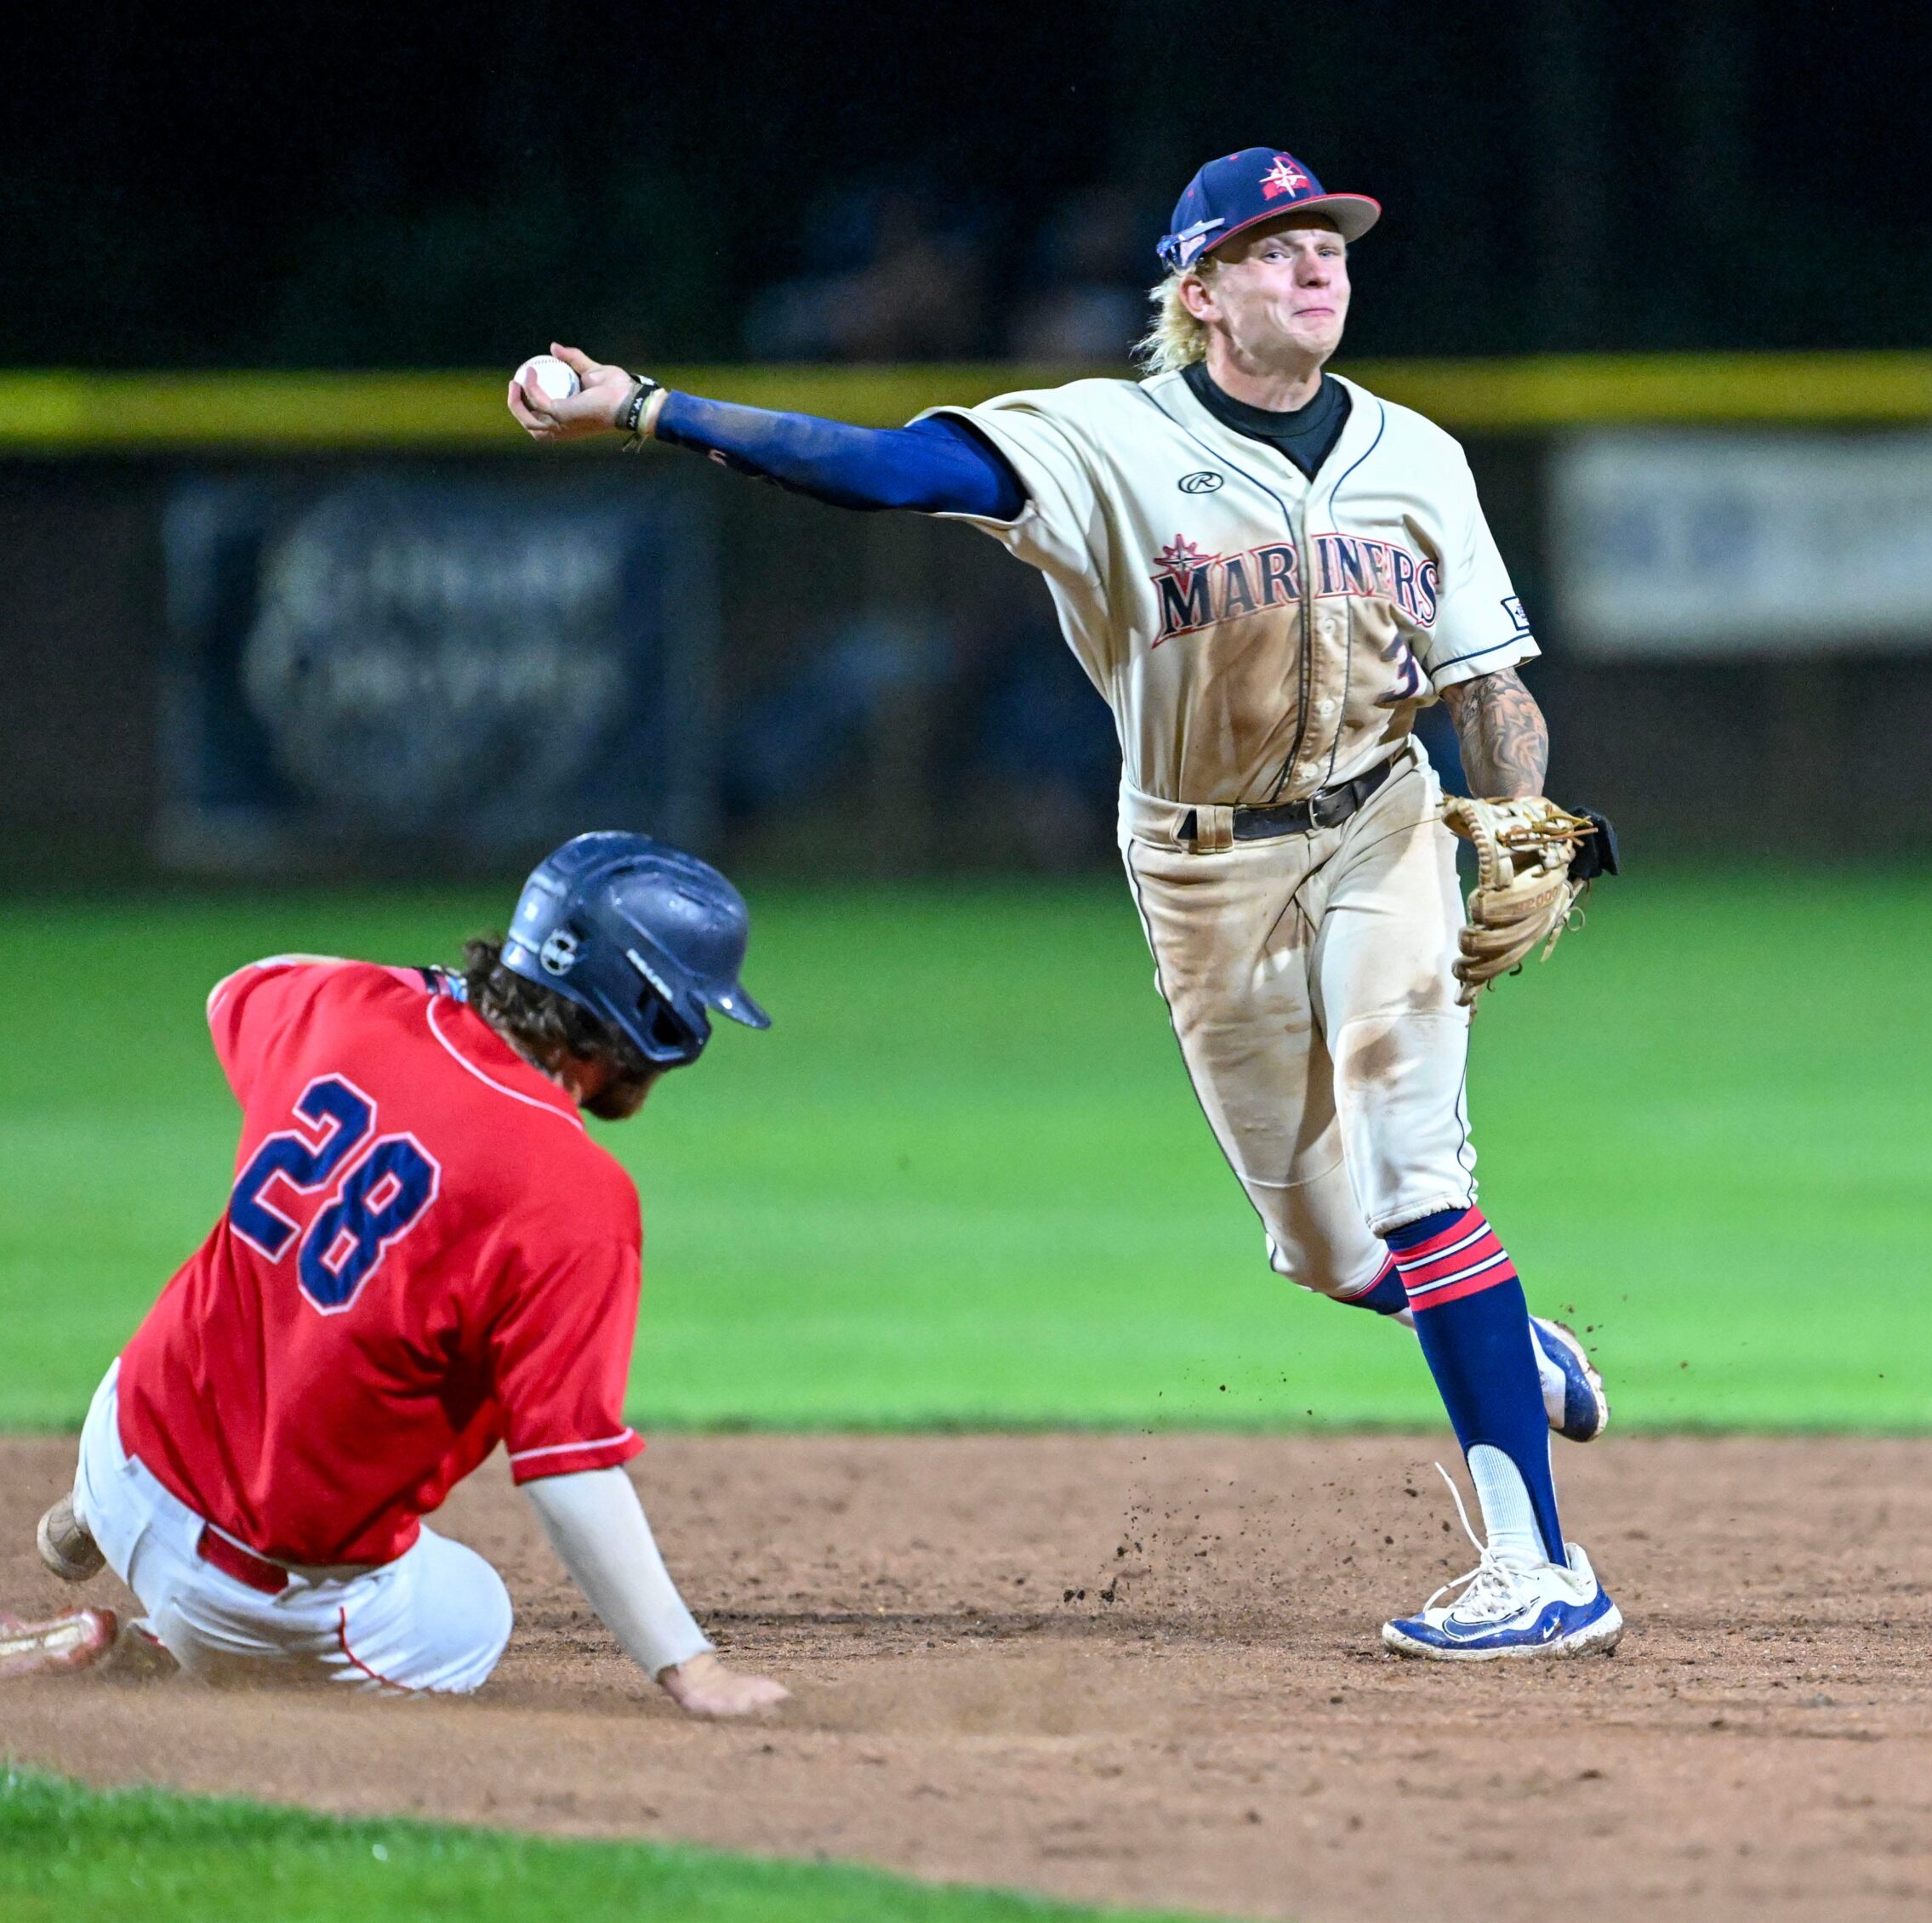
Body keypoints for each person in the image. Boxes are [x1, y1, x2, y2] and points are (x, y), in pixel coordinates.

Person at [508, 146, 1624, 1660]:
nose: (1320, 267)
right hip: (1199, 863)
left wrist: (1517, 816)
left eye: (1334, 246)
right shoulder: (1101, 442)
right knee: (1327, 1244)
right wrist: (648, 405)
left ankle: (1541, 1565)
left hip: (1383, 830)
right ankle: (1493, 1330)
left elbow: (1489, 681)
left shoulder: (1419, 456)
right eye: (1280, 246)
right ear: (1204, 289)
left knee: (1417, 1160)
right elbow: (888, 469)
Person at [0, 833, 791, 1711]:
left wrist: (432, 991)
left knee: (238, 1311)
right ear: (648, 1024)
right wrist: (695, 1668)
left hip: (121, 1440)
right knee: (476, 1611)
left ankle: (90, 1519)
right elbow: (567, 1470)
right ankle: (158, 1647)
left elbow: (239, 985)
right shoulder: (575, 1194)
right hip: (242, 1591)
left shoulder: (350, 1004)